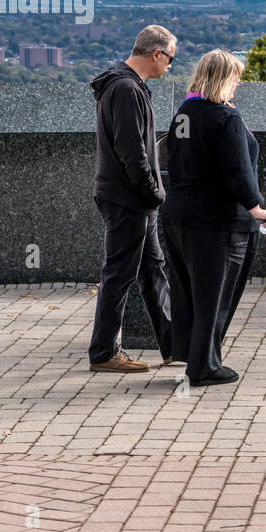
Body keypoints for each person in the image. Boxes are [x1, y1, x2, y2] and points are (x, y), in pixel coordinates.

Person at [161, 50, 266, 387]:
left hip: (178, 214)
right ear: (223, 79)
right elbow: (238, 169)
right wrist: (257, 208)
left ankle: (191, 355)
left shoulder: (185, 112)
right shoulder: (226, 119)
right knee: (215, 294)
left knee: (188, 293)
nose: (238, 85)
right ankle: (203, 367)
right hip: (215, 220)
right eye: (235, 78)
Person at [87, 24, 178, 373]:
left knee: (153, 271)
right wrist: (154, 191)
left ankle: (173, 345)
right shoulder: (126, 90)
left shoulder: (124, 85)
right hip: (130, 199)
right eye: (169, 59)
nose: (169, 66)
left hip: (134, 199)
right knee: (119, 274)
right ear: (156, 53)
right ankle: (104, 352)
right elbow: (133, 153)